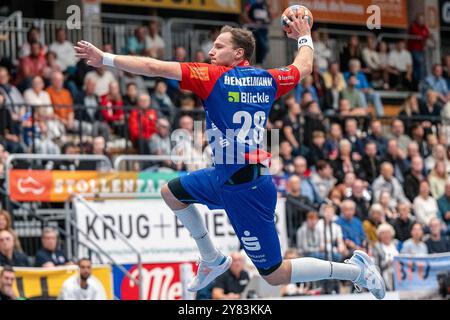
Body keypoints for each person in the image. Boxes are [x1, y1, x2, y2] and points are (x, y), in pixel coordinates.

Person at [75, 10, 386, 299]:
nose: (212, 52)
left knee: (274, 275)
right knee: (171, 192)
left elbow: (155, 67)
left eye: (219, 46)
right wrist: (304, 36)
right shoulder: (268, 80)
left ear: (239, 54)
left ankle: (356, 270)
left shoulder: (213, 77)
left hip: (245, 187)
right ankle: (211, 258)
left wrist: (106, 59)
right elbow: (303, 66)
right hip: (225, 175)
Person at [371, 224, 399, 291]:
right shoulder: (377, 247)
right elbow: (376, 266)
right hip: (386, 273)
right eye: (383, 233)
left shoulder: (396, 244)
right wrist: (388, 263)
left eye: (388, 233)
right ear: (379, 236)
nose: (386, 235)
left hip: (398, 272)